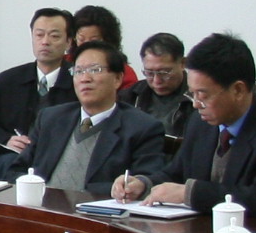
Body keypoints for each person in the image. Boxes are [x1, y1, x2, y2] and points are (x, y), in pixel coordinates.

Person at [112, 33, 256, 218]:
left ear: (238, 90)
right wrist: (143, 184)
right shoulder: (200, 121)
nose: (196, 104)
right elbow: (176, 173)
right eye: (193, 93)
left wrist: (190, 193)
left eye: (203, 95)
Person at [23, 43, 164, 193]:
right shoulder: (50, 118)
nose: (85, 78)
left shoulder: (142, 127)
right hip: (39, 204)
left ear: (117, 79)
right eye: (78, 71)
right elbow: (18, 169)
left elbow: (147, 180)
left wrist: (131, 185)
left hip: (97, 207)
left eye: (95, 70)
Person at [0, 8, 76, 181]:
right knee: (7, 165)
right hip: (12, 159)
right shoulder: (9, 80)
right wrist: (7, 140)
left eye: (54, 36)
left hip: (59, 162)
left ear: (68, 42)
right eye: (39, 35)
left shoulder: (79, 82)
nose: (45, 42)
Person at [124, 32, 196, 149]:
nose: (157, 81)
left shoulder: (198, 99)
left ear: (183, 63)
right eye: (149, 73)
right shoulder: (130, 96)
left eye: (164, 72)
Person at [68, 5, 138, 91]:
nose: (86, 46)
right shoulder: (64, 64)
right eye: (81, 39)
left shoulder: (125, 73)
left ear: (108, 41)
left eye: (94, 41)